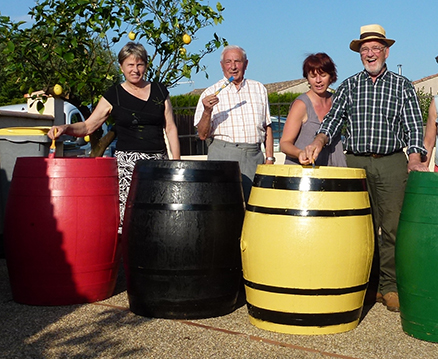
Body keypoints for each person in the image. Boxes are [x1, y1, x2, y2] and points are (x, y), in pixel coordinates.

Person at [304, 24, 428, 312]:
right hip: (357, 163)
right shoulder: (349, 86)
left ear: (386, 51)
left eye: (375, 49)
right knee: (363, 228)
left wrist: (414, 157)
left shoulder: (402, 85)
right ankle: (368, 285)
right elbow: (332, 122)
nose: (370, 54)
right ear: (359, 54)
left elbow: (413, 127)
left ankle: (390, 286)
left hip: (392, 162)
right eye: (364, 50)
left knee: (393, 227)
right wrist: (319, 141)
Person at [49, 42, 181, 232]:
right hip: (127, 166)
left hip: (158, 164)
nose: (135, 70)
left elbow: (171, 128)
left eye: (140, 64)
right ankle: (126, 260)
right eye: (130, 65)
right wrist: (65, 127)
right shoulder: (114, 95)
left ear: (146, 65)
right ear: (121, 67)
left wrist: (176, 164)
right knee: (128, 220)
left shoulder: (160, 92)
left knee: (158, 218)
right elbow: (88, 126)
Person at [194, 45, 274, 201]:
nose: (233, 67)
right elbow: (202, 135)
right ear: (222, 65)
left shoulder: (259, 89)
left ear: (246, 64)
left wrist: (269, 158)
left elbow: (267, 126)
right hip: (223, 156)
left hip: (254, 157)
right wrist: (207, 111)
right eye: (228, 62)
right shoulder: (209, 93)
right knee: (223, 207)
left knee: (255, 206)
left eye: (237, 61)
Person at [280, 53, 346, 167]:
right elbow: (284, 144)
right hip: (305, 172)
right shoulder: (301, 104)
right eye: (313, 76)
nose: (318, 80)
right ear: (307, 78)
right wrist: (300, 153)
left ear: (331, 76)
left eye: (323, 75)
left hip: (334, 170)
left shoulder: (337, 101)